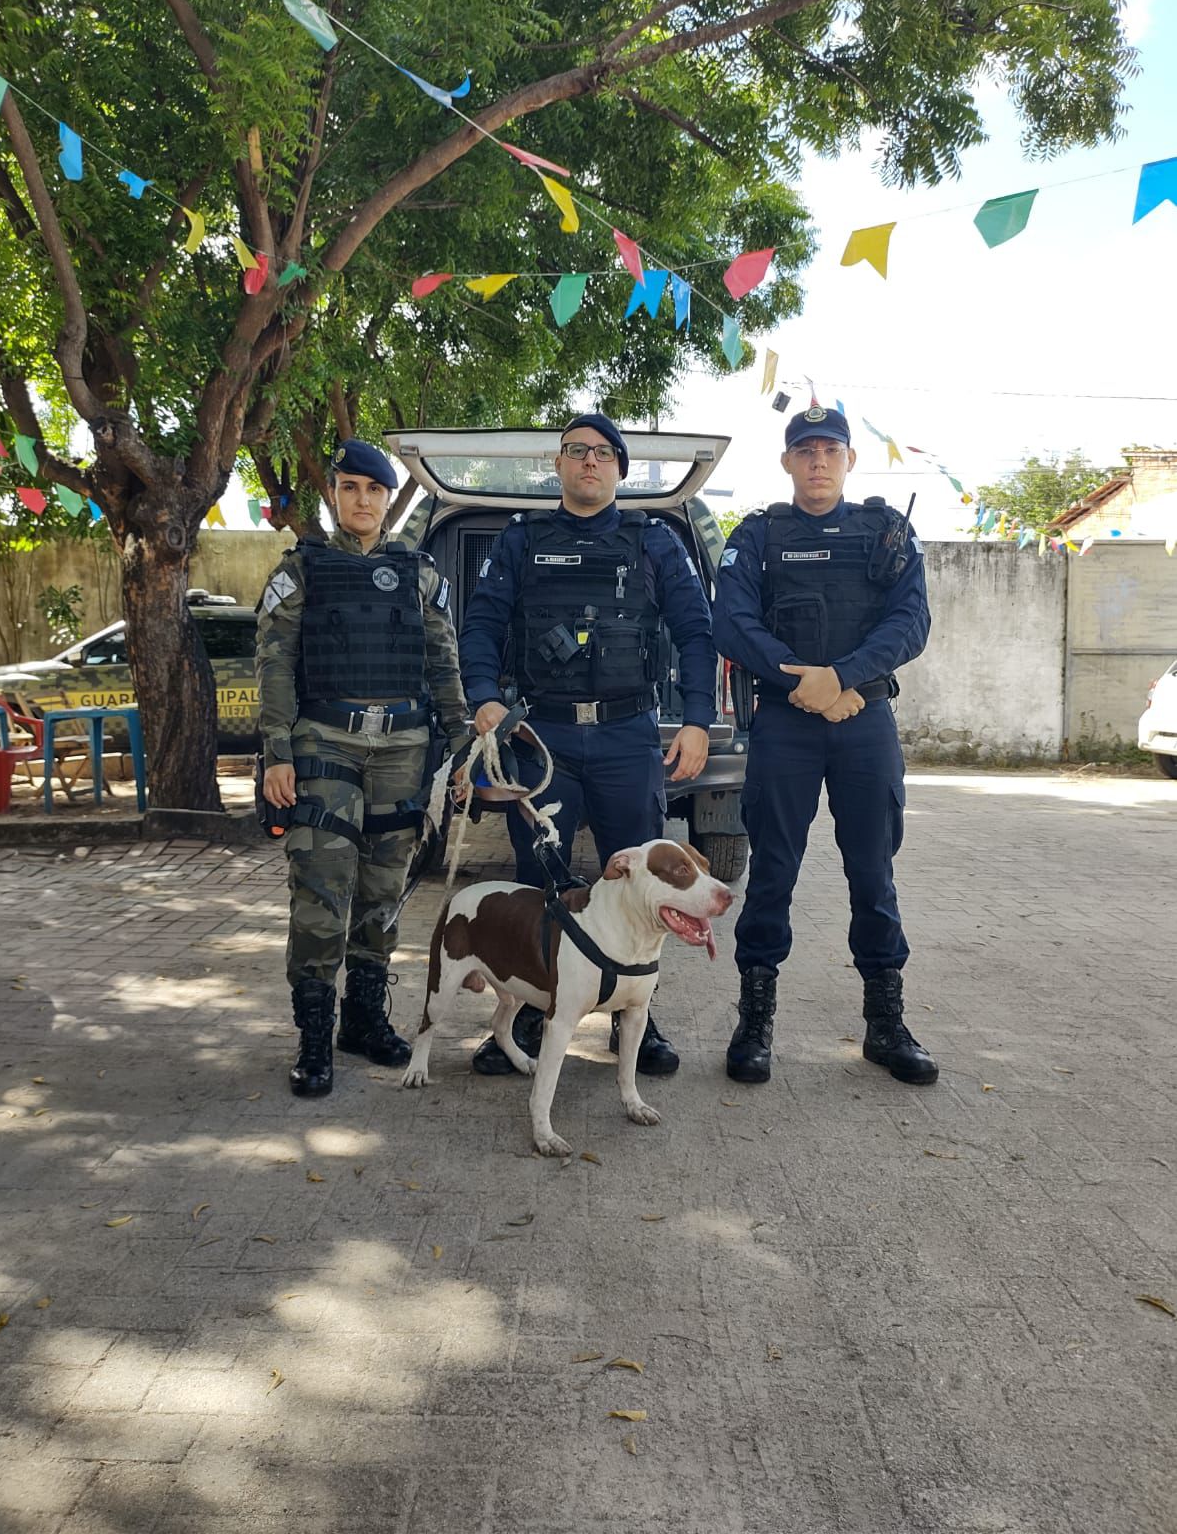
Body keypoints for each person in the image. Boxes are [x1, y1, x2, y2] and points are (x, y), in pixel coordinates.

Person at [459, 411, 717, 1077]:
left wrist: (695, 719)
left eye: (603, 454)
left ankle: (639, 1019)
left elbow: (695, 632)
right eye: (576, 451)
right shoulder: (521, 540)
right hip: (539, 734)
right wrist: (484, 693)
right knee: (536, 885)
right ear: (559, 464)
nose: (589, 463)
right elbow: (482, 621)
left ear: (620, 469)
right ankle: (516, 1024)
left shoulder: (654, 540)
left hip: (628, 735)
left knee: (639, 888)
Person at [712, 406, 937, 1087]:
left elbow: (911, 620)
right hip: (786, 723)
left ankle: (884, 1023)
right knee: (773, 869)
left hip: (862, 719)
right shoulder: (756, 536)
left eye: (829, 450)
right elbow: (732, 621)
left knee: (872, 872)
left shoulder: (885, 531)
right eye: (804, 450)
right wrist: (804, 681)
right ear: (785, 462)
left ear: (848, 461)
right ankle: (753, 1023)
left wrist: (842, 676)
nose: (817, 461)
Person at [256, 438, 471, 1097]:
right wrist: (275, 754)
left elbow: (442, 662)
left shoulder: (418, 572)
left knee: (383, 890)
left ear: (387, 498)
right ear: (335, 493)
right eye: (350, 487)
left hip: (403, 747)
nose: (361, 500)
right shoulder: (301, 571)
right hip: (325, 741)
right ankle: (314, 1041)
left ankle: (363, 1022)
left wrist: (462, 742)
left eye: (373, 490)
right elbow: (274, 664)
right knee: (322, 888)